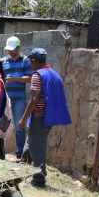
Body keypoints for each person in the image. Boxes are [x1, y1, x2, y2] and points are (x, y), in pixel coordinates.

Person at [19, 48, 72, 187]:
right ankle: (24, 167)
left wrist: (23, 118)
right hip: (48, 117)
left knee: (37, 148)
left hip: (39, 117)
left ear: (34, 60)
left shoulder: (37, 75)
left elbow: (34, 99)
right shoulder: (53, 74)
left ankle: (39, 179)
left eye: (30, 61)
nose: (30, 64)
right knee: (33, 142)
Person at [2, 36, 32, 159]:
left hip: (19, 98)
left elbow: (29, 78)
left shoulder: (25, 61)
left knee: (20, 125)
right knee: (3, 125)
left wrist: (15, 79)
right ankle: (0, 151)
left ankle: (20, 153)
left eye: (13, 49)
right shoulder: (4, 61)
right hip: (6, 99)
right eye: (9, 50)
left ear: (18, 48)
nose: (10, 52)